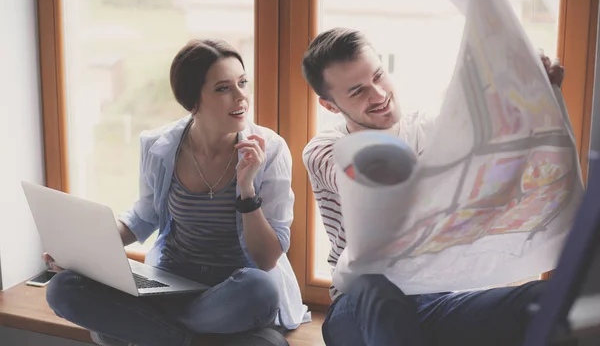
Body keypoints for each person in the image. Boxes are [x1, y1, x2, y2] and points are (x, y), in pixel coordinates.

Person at [301, 27, 566, 346]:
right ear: (329, 106)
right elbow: (360, 177)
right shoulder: (325, 148)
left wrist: (528, 90)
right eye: (357, 91)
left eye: (379, 76)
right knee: (376, 288)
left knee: (548, 298)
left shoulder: (428, 128)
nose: (379, 94)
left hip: (435, 300)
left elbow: (492, 139)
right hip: (359, 306)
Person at [43, 39, 307, 346]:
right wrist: (79, 251)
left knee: (260, 289)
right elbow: (143, 218)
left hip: (234, 290)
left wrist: (246, 189)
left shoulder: (269, 150)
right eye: (223, 88)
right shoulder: (159, 146)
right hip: (171, 283)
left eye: (242, 83)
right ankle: (186, 339)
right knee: (63, 287)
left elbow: (267, 258)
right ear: (192, 101)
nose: (241, 97)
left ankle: (153, 332)